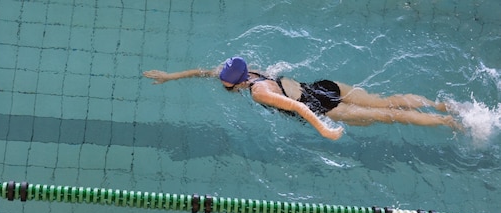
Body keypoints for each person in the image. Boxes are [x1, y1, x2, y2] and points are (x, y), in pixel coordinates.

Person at [143, 56, 460, 140]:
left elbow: (295, 106)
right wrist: (171, 76)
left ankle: (445, 121)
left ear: (237, 85)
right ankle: (438, 105)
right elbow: (205, 71)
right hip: (326, 86)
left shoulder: (259, 92)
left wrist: (322, 127)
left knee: (389, 116)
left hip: (320, 107)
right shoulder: (252, 71)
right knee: (385, 100)